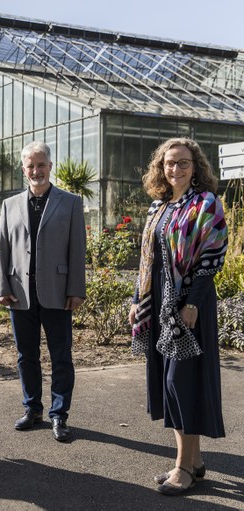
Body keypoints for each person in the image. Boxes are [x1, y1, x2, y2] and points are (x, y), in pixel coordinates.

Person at [129, 137, 227, 496]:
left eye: (183, 163)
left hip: (187, 307)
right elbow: (147, 259)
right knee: (169, 385)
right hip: (158, 307)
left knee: (179, 383)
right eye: (170, 163)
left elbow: (211, 259)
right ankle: (195, 462)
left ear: (196, 166)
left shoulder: (206, 203)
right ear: (161, 167)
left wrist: (193, 304)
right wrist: (137, 300)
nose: (176, 169)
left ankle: (183, 468)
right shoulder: (158, 206)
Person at [0, 141, 86, 442]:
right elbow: (3, 249)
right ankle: (32, 409)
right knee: (26, 355)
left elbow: (77, 249)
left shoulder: (70, 202)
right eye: (30, 165)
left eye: (41, 164)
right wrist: (2, 287)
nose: (36, 170)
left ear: (50, 166)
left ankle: (59, 415)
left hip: (58, 292)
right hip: (20, 293)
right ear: (24, 169)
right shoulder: (9, 205)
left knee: (61, 356)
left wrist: (76, 289)